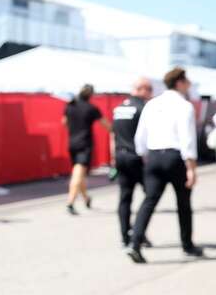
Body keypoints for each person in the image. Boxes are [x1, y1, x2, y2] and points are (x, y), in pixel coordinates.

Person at [126, 67, 204, 263]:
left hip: (153, 157)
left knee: (149, 201)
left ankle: (134, 243)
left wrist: (145, 156)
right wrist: (191, 168)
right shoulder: (184, 106)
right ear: (179, 82)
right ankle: (187, 245)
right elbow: (187, 140)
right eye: (187, 82)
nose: (188, 85)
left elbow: (140, 137)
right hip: (175, 157)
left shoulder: (151, 105)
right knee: (183, 204)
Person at [111, 78, 153, 247]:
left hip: (120, 156)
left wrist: (113, 156)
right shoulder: (143, 108)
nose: (150, 93)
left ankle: (125, 236)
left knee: (125, 197)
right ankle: (137, 233)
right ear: (141, 89)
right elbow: (147, 135)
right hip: (137, 158)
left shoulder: (119, 108)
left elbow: (113, 134)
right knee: (151, 195)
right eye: (149, 89)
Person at [62, 84, 111, 215]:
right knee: (78, 173)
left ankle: (86, 198)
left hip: (72, 143)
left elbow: (64, 122)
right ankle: (70, 202)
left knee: (80, 174)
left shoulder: (70, 106)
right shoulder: (92, 108)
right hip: (84, 144)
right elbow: (107, 125)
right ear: (91, 95)